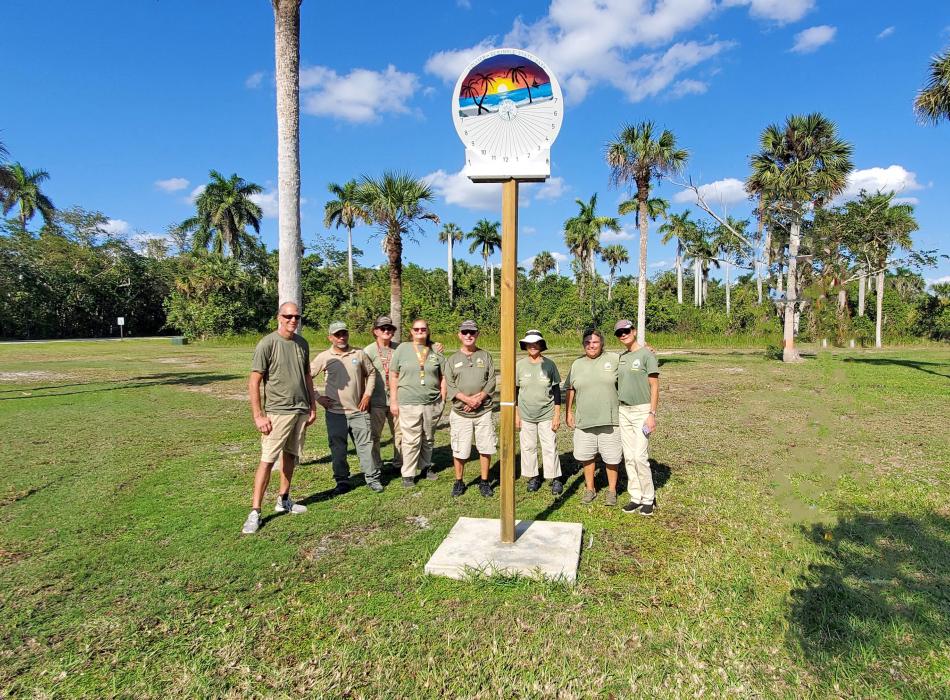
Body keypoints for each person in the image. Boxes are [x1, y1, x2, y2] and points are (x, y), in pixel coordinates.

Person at [242, 302, 317, 534]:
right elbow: (254, 381)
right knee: (267, 459)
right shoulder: (267, 343)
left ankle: (283, 499)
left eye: (296, 316)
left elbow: (307, 376)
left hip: (300, 410)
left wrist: (312, 405)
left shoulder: (302, 343)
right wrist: (258, 415)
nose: (293, 320)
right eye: (288, 316)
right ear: (279, 317)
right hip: (277, 412)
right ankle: (255, 511)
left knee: (291, 456)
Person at [364, 315, 444, 475]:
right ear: (375, 331)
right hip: (377, 399)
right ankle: (376, 466)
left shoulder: (400, 347)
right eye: (383, 328)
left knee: (401, 434)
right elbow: (362, 375)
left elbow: (421, 348)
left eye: (389, 328)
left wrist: (435, 345)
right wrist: (365, 396)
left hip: (399, 399)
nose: (386, 331)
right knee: (374, 435)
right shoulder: (368, 351)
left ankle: (399, 463)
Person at [310, 321, 382, 494]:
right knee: (338, 449)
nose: (342, 337)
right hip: (336, 413)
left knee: (366, 446)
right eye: (337, 335)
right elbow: (306, 377)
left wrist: (367, 395)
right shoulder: (324, 357)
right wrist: (318, 398)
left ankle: (372, 478)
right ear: (330, 338)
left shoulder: (359, 353)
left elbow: (371, 373)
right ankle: (342, 481)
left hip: (359, 411)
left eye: (344, 333)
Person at [563, 328, 622, 506]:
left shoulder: (614, 359)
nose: (591, 345)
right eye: (587, 342)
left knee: (612, 458)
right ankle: (590, 488)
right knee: (586, 456)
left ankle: (612, 491)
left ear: (602, 343)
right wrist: (569, 412)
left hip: (610, 419)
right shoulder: (577, 364)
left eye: (595, 342)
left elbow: (633, 362)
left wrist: (645, 351)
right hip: (584, 420)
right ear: (583, 345)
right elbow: (570, 388)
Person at [389, 318, 446, 487]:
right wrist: (394, 401)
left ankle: (425, 466)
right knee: (411, 439)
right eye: (416, 329)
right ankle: (408, 473)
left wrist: (442, 396)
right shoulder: (402, 349)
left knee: (428, 437)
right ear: (411, 331)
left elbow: (443, 376)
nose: (420, 332)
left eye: (423, 329)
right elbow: (394, 375)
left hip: (432, 401)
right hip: (408, 401)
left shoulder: (436, 350)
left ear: (428, 331)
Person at [445, 320, 497, 497]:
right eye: (465, 332)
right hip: (461, 413)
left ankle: (484, 481)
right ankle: (459, 481)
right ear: (459, 334)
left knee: (485, 447)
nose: (468, 335)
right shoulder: (452, 359)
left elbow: (491, 381)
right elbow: (450, 386)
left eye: (472, 332)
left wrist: (479, 399)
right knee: (460, 449)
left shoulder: (486, 356)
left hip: (484, 411)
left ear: (477, 334)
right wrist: (467, 400)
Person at [614, 319, 660, 516]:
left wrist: (652, 414)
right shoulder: (621, 357)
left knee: (640, 456)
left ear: (634, 330)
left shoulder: (647, 355)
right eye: (619, 333)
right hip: (623, 411)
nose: (623, 334)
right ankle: (635, 496)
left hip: (642, 411)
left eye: (626, 330)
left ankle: (649, 498)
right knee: (629, 456)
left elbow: (654, 386)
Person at [515, 329, 563, 495]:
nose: (533, 346)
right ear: (525, 345)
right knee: (528, 447)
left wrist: (557, 414)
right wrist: (517, 414)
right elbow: (515, 391)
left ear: (541, 345)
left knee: (549, 446)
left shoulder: (549, 365)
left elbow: (557, 391)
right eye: (530, 343)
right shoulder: (519, 365)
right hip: (526, 415)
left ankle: (554, 478)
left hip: (547, 414)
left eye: (536, 343)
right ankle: (533, 477)